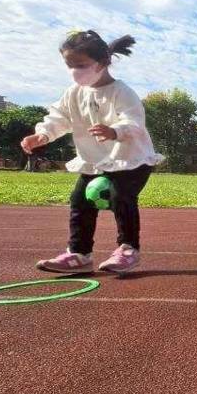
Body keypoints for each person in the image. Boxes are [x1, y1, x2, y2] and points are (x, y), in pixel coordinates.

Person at [21, 30, 164, 275]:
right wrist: (43, 134)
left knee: (121, 198)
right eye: (69, 65)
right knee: (80, 201)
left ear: (103, 62)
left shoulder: (121, 91)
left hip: (130, 157)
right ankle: (78, 254)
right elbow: (60, 117)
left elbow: (134, 121)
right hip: (95, 159)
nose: (75, 71)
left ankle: (128, 249)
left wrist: (115, 131)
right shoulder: (74, 92)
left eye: (81, 65)